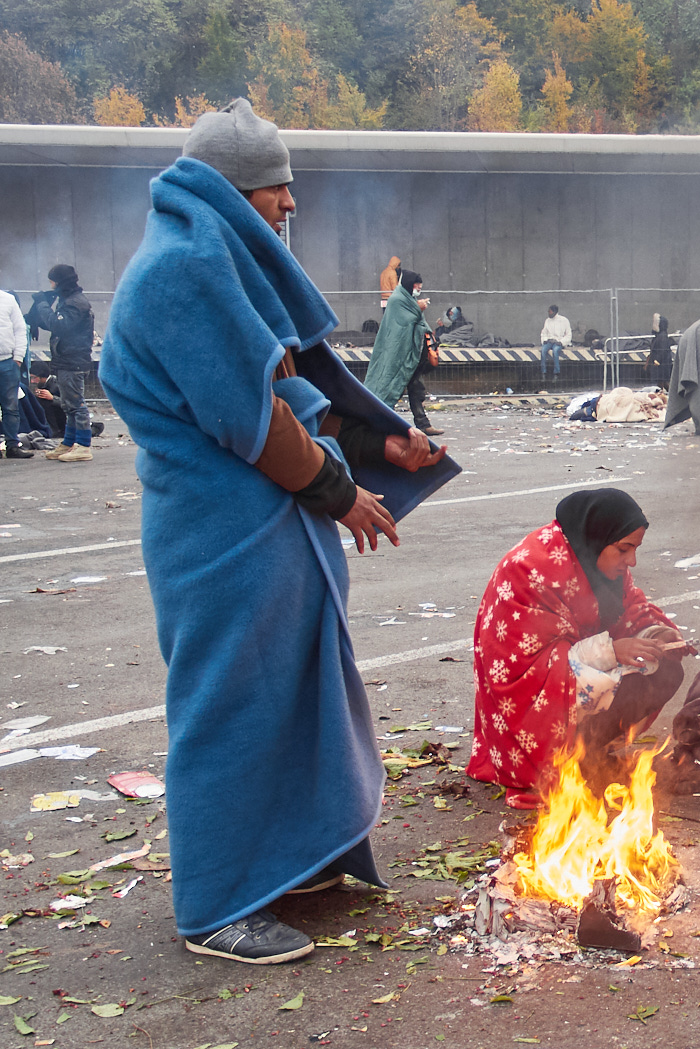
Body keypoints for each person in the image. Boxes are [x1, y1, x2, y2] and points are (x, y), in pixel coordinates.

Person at [98, 98, 454, 965]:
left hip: (261, 532)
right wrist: (342, 493)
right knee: (227, 709)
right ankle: (216, 905)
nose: (290, 202)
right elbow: (251, 420)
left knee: (294, 697)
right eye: (275, 186)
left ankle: (294, 859)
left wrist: (377, 444)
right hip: (219, 538)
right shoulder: (183, 269)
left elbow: (287, 390)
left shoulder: (215, 259)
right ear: (229, 189)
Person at [468, 489, 692, 808]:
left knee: (665, 670)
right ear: (597, 537)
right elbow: (529, 670)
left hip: (579, 672)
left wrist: (659, 636)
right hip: (526, 697)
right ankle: (553, 765)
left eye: (635, 549)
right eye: (624, 549)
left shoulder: (601, 562)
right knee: (586, 680)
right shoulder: (529, 569)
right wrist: (611, 651)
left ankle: (588, 754)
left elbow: (632, 610)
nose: (631, 561)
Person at [24, 264, 94, 462]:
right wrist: (37, 320)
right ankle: (69, 442)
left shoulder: (75, 302)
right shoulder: (69, 300)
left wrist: (42, 304)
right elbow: (60, 325)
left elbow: (59, 325)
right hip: (66, 360)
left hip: (74, 361)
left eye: (52, 281)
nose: (51, 286)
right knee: (69, 405)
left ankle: (83, 446)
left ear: (59, 281)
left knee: (76, 404)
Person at [363, 270, 442, 436]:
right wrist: (418, 309)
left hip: (411, 356)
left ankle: (422, 423)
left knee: (416, 388)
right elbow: (403, 322)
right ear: (408, 284)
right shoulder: (397, 300)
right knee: (391, 387)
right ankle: (379, 420)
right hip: (399, 355)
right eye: (416, 285)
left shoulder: (408, 299)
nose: (418, 288)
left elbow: (418, 322)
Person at [1, 288, 31, 459]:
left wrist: (18, 358)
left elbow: (20, 330)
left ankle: (12, 446)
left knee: (11, 407)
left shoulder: (8, 299)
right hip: (8, 363)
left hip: (7, 362)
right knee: (10, 407)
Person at [540, 304, 570, 379]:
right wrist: (545, 340)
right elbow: (544, 333)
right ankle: (543, 372)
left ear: (555, 312)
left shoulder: (564, 320)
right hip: (549, 341)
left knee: (555, 351)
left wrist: (562, 342)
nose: (548, 313)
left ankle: (556, 373)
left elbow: (568, 334)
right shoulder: (547, 321)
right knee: (543, 351)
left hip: (558, 341)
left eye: (550, 312)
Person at [646, 312, 672, 386]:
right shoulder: (661, 335)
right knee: (662, 381)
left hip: (661, 364)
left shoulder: (662, 336)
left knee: (663, 381)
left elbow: (662, 350)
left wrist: (657, 360)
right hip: (662, 363)